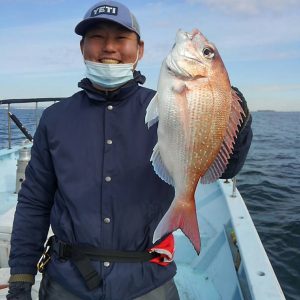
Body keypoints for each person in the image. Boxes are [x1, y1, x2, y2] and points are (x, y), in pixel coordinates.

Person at [7, 1, 253, 299]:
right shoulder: (55, 118)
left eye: (121, 38)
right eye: (97, 37)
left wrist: (234, 123)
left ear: (140, 50)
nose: (109, 47)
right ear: (82, 47)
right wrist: (21, 278)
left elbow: (226, 168)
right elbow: (34, 202)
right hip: (67, 282)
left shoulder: (164, 106)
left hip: (148, 282)